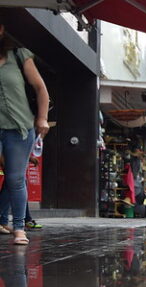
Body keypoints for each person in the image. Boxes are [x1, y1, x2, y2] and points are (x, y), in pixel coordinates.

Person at [0, 24, 50, 245]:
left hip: (19, 129)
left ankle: (19, 227)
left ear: (1, 30)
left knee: (15, 178)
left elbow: (40, 88)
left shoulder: (18, 55)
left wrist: (41, 118)